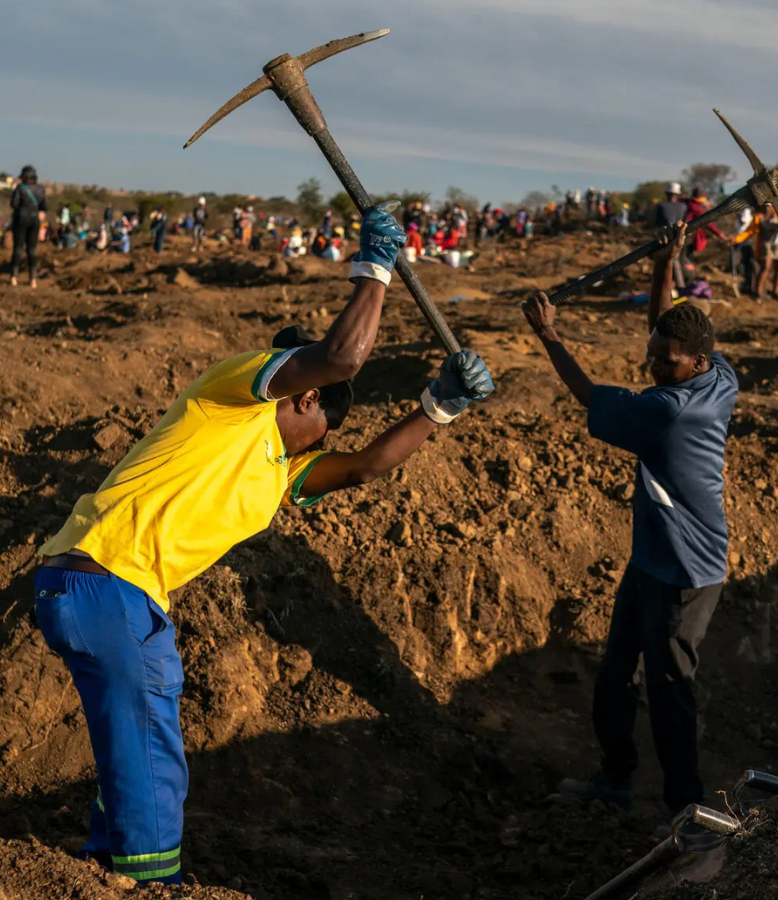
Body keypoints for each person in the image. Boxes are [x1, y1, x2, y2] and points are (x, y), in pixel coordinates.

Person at [32, 205, 494, 885]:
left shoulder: (280, 472)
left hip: (106, 593)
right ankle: (150, 884)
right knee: (152, 759)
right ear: (308, 399)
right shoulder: (233, 397)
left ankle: (103, 869)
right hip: (107, 585)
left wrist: (438, 407)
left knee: (137, 747)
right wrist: (375, 270)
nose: (290, 381)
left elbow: (366, 465)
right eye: (306, 389)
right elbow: (342, 356)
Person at [523, 221, 737, 826]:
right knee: (616, 675)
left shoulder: (665, 414)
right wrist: (663, 266)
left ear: (691, 364)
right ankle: (615, 778)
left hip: (685, 574)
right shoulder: (718, 376)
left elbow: (590, 397)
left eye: (662, 363)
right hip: (652, 560)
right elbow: (665, 325)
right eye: (650, 358)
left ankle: (685, 810)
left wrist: (549, 335)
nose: (651, 367)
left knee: (670, 691)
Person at [9, 165, 47, 287]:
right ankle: (33, 279)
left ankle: (14, 277)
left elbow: (14, 204)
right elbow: (45, 205)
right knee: (32, 249)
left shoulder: (20, 188)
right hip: (34, 220)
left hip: (20, 219)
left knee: (18, 248)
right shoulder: (40, 189)